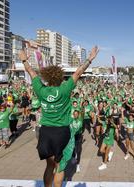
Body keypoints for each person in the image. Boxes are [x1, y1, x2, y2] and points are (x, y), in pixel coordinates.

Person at [18, 45, 99, 187]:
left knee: (49, 165)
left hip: (46, 131)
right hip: (62, 131)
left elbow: (31, 72)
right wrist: (90, 59)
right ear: (60, 77)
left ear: (46, 77)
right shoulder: (65, 88)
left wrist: (24, 60)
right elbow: (79, 72)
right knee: (60, 166)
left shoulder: (40, 89)